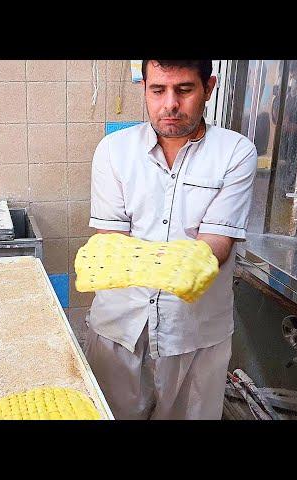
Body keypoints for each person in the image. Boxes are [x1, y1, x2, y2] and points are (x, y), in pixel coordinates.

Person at [84, 60, 258, 419]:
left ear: (209, 88)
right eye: (158, 90)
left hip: (194, 332)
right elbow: (111, 240)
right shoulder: (114, 152)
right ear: (144, 88)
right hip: (120, 326)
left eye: (184, 89)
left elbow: (217, 246)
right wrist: (173, 263)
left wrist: (136, 259)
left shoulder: (235, 153)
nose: (170, 105)